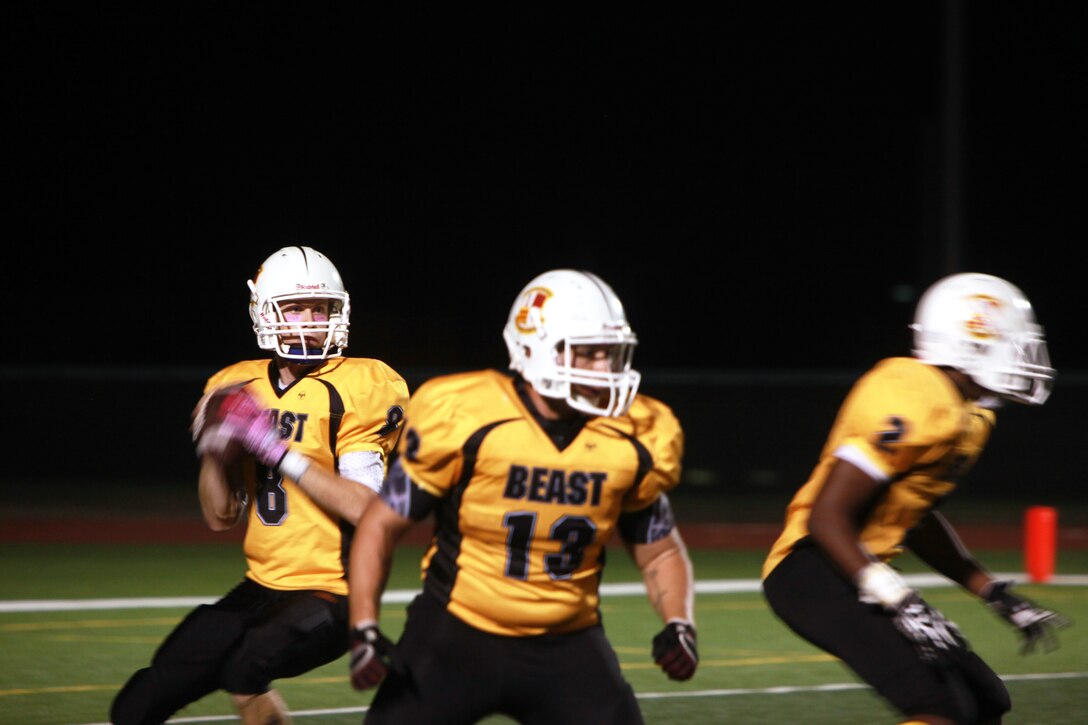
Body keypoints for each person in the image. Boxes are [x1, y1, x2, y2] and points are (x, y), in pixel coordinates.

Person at [345, 269, 698, 724]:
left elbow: (660, 552)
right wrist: (364, 627)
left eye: (609, 355)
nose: (603, 370)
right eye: (586, 353)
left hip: (567, 645)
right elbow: (381, 524)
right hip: (457, 633)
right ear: (532, 349)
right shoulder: (469, 416)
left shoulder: (633, 436)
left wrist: (679, 622)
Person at [111, 246, 410, 725]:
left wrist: (275, 451)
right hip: (262, 584)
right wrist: (215, 452)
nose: (310, 320)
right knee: (138, 703)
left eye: (322, 309)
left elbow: (366, 509)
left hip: (335, 591)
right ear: (264, 312)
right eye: (295, 308)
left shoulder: (363, 385)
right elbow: (219, 516)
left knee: (246, 666)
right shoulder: (236, 384)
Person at [761, 272, 1071, 725]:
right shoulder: (914, 394)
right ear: (970, 343)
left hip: (855, 568)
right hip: (813, 567)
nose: (1023, 352)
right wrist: (897, 597)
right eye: (1012, 340)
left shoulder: (971, 417)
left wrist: (989, 590)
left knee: (986, 702)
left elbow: (915, 518)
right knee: (941, 707)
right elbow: (827, 517)